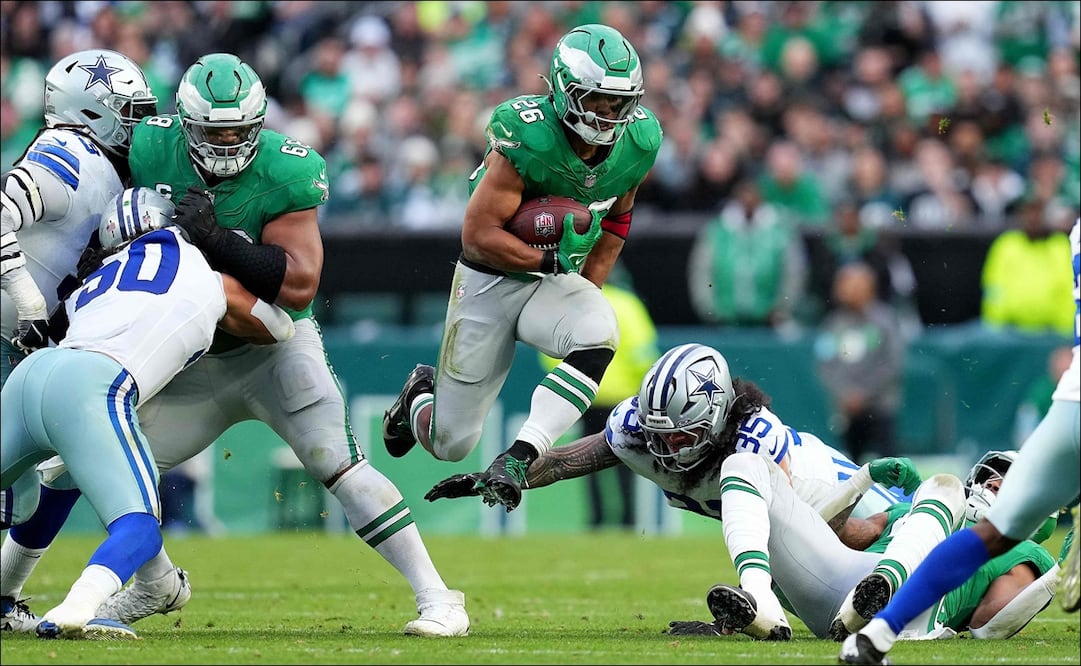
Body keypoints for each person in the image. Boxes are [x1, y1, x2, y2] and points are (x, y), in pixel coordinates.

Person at [3, 52, 469, 638]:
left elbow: (297, 287)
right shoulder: (149, 146)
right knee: (78, 468)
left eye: (238, 130)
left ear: (259, 124)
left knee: (337, 464)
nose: (225, 143)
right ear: (183, 124)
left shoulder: (286, 170)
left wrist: (212, 237)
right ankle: (128, 587)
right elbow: (97, 204)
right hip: (195, 359)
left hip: (274, 347)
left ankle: (438, 597)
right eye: (212, 131)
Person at [425, 343, 961, 641]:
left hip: (864, 528)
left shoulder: (757, 441)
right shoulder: (642, 426)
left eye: (677, 434)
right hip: (815, 564)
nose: (662, 445)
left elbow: (834, 533)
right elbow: (570, 459)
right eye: (656, 431)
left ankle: (761, 609)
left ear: (712, 419)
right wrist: (499, 475)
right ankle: (762, 610)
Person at [381, 24, 663, 513]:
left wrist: (584, 286)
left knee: (599, 329)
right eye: (595, 100)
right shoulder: (527, 135)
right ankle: (419, 396)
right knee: (451, 444)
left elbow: (617, 217)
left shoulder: (639, 140)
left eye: (617, 104)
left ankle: (518, 457)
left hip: (549, 280)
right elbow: (478, 237)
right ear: (562, 90)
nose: (606, 114)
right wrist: (549, 259)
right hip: (490, 278)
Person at [2, 187, 294, 639]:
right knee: (140, 528)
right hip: (93, 386)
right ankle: (75, 608)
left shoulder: (93, 281)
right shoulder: (206, 272)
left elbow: (54, 334)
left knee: (42, 489)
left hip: (30, 376)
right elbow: (280, 327)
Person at [840, 218, 1080, 665]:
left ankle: (877, 635)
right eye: (992, 478)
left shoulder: (1073, 234)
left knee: (988, 536)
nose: (992, 483)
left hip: (1071, 398)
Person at [1, 48, 157, 633]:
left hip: (23, 349)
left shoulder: (102, 163)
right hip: (6, 335)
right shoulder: (69, 153)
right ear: (94, 111)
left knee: (46, 477)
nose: (140, 123)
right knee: (17, 493)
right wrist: (30, 304)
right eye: (131, 111)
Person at [537, 268, 659, 529]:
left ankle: (596, 519)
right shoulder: (628, 305)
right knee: (627, 460)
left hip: (585, 397)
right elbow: (643, 355)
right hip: (622, 399)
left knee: (582, 460)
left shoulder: (576, 305)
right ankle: (629, 520)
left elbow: (550, 353)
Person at [814, 261, 905, 463]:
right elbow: (825, 364)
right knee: (850, 467)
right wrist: (844, 393)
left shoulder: (885, 321)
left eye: (855, 283)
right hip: (847, 411)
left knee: (890, 463)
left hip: (880, 407)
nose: (849, 290)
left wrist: (863, 393)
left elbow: (892, 363)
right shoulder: (833, 324)